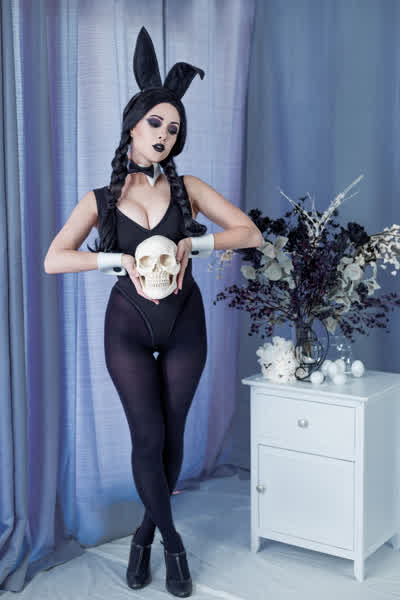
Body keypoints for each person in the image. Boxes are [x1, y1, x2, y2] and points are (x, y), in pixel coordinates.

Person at [44, 26, 263, 598]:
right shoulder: (100, 200)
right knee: (148, 437)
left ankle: (143, 536)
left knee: (173, 436)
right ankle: (172, 543)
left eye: (174, 128)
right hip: (128, 328)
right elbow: (53, 259)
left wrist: (198, 243)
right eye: (156, 123)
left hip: (185, 322)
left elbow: (249, 233)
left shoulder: (189, 187)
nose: (165, 134)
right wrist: (114, 259)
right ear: (132, 126)